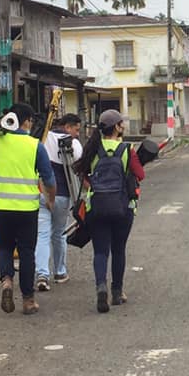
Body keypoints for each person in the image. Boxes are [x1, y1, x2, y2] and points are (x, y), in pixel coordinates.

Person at [0, 103, 56, 315]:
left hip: (2, 208)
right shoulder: (35, 146)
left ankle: (7, 280)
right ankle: (28, 300)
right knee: (27, 252)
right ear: (26, 121)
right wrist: (51, 200)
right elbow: (49, 179)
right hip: (27, 210)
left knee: (5, 248)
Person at [74, 109, 145, 313]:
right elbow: (140, 174)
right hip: (123, 207)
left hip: (97, 206)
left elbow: (82, 174)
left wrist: (93, 188)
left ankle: (101, 287)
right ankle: (117, 292)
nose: (123, 126)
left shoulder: (92, 148)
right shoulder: (127, 149)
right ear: (116, 127)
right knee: (118, 249)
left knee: (100, 251)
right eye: (121, 123)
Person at [35, 113, 83, 291]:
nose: (77, 134)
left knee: (42, 234)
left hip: (41, 193)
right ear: (67, 127)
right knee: (59, 234)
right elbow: (79, 169)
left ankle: (42, 274)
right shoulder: (74, 144)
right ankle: (60, 272)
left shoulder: (44, 137)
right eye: (76, 130)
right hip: (62, 195)